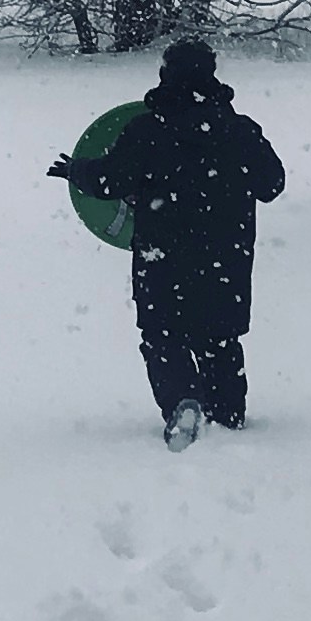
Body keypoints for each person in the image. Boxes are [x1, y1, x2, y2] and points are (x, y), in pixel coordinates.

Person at [52, 36, 285, 451]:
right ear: (212, 76)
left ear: (165, 75)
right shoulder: (240, 131)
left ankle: (182, 402)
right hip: (226, 259)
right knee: (220, 339)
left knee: (164, 336)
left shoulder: (146, 131)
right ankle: (227, 415)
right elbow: (272, 184)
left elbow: (109, 181)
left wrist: (77, 171)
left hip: (163, 257)